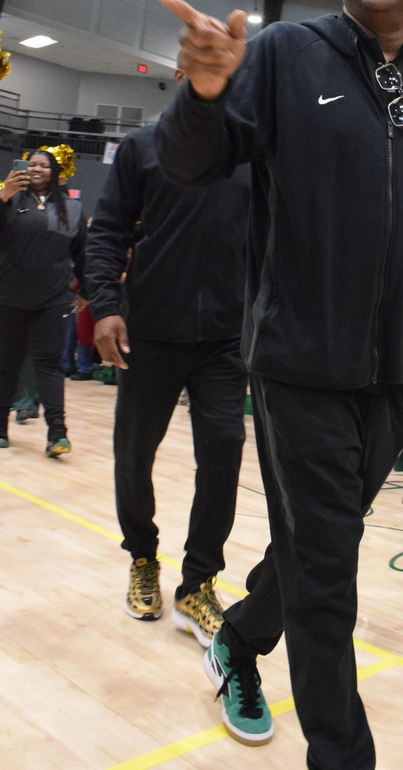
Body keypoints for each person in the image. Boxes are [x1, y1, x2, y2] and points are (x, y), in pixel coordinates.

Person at [155, 0, 403, 769]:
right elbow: (190, 164)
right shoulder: (287, 56)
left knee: (313, 549)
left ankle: (241, 636)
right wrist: (204, 90)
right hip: (295, 364)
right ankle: (340, 754)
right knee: (332, 575)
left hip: (387, 377)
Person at [86, 113, 250, 646]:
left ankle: (198, 581)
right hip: (149, 331)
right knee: (134, 452)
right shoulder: (142, 146)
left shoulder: (253, 151)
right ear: (182, 72)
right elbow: (108, 228)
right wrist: (107, 305)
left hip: (226, 337)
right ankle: (141, 555)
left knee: (224, 450)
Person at [0, 149, 87, 454]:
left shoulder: (72, 208)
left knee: (49, 366)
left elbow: (81, 252)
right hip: (8, 297)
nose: (36, 169)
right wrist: (4, 194)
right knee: (6, 365)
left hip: (52, 301)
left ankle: (57, 434)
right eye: (32, 164)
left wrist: (86, 290)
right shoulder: (8, 199)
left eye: (43, 165)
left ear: (55, 171)